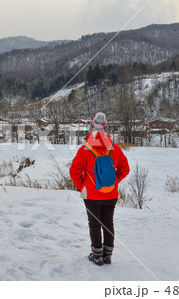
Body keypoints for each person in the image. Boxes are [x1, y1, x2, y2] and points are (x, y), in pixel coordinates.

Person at [69, 112, 130, 266]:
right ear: (107, 129)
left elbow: (74, 171)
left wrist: (82, 186)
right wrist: (115, 181)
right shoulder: (115, 149)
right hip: (111, 193)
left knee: (95, 224)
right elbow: (125, 169)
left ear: (91, 129)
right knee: (108, 223)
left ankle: (97, 256)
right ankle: (108, 255)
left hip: (91, 195)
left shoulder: (84, 150)